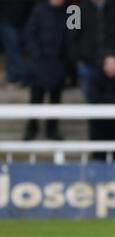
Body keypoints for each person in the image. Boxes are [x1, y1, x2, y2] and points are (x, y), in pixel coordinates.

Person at [23, 0, 67, 141]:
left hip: (59, 62)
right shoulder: (39, 10)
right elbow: (30, 33)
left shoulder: (72, 11)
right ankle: (32, 128)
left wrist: (66, 57)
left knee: (55, 100)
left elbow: (74, 34)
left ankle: (52, 130)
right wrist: (36, 53)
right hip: (40, 63)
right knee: (36, 98)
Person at [68, 0, 115, 103]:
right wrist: (77, 61)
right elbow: (71, 38)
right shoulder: (77, 11)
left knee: (114, 104)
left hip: (112, 65)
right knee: (91, 102)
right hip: (87, 64)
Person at [89, 53, 115, 161]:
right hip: (98, 125)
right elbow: (93, 98)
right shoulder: (95, 77)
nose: (111, 67)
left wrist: (104, 99)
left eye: (114, 64)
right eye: (108, 64)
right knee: (98, 156)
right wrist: (114, 100)